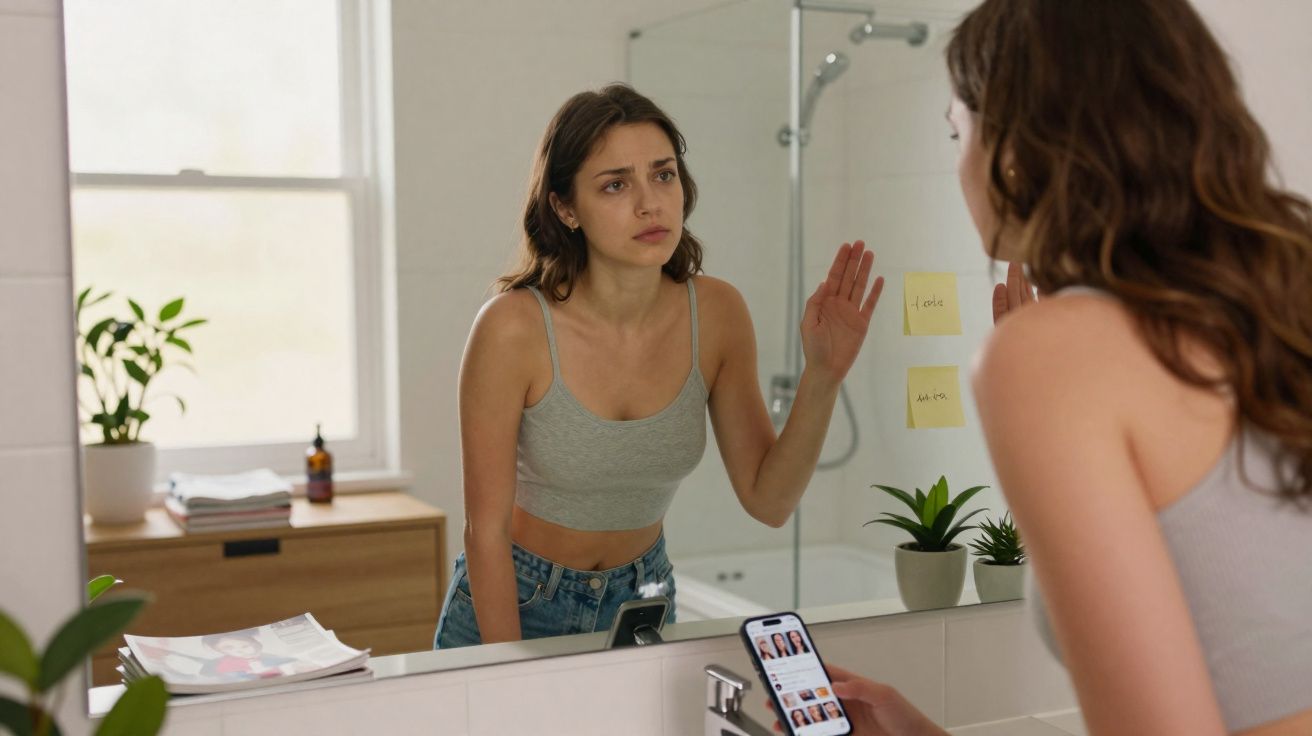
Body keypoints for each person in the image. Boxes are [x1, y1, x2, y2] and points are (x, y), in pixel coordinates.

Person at [804, 1, 1312, 735]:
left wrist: (1044, 364)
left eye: (958, 132)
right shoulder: (1283, 297)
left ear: (1013, 149)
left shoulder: (1051, 352)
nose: (959, 164)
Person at [435, 84, 884, 649]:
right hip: (516, 599)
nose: (650, 203)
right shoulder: (513, 327)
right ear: (565, 207)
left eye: (664, 174)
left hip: (643, 602)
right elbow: (486, 530)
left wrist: (823, 374)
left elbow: (769, 502)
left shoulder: (717, 313)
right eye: (616, 184)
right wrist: (513, 670)